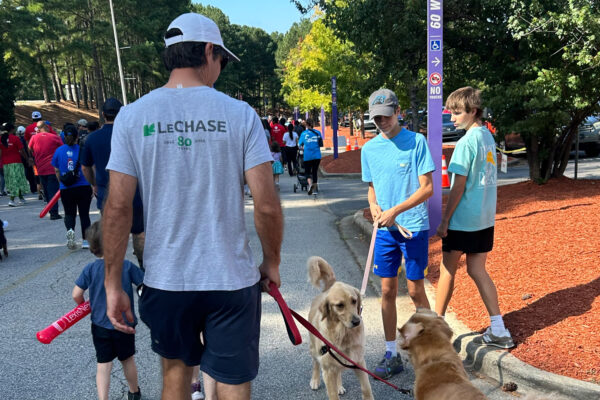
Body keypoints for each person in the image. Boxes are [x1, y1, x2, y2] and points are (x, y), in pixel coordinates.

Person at [103, 12, 283, 400]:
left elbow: (117, 207)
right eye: (220, 59)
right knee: (234, 384)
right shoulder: (241, 115)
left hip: (167, 279)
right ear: (207, 51)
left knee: (175, 378)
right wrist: (272, 261)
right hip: (230, 278)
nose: (219, 69)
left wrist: (112, 281)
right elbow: (266, 205)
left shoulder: (133, 117)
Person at [360, 88, 435, 379]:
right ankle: (391, 351)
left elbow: (427, 188)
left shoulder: (416, 142)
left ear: (398, 111)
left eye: (386, 116)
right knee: (387, 291)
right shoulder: (369, 149)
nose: (382, 122)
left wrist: (396, 211)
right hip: (385, 231)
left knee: (416, 290)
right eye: (376, 118)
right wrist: (375, 206)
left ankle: (430, 348)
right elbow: (371, 188)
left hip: (413, 227)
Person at [435, 87, 514, 349]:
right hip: (483, 219)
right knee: (478, 270)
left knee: (447, 270)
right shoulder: (487, 138)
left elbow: (458, 186)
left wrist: (445, 220)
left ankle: (436, 328)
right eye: (451, 112)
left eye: (457, 113)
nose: (452, 118)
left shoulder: (466, 143)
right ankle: (499, 328)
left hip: (462, 220)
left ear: (473, 111)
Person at [72, 221, 143, 400]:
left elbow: (76, 294)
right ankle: (134, 392)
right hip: (124, 324)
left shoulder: (90, 269)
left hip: (100, 325)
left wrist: (83, 305)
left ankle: (103, 398)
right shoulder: (126, 266)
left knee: (103, 365)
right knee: (127, 360)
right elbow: (144, 286)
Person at [81, 98, 146, 269]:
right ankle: (143, 270)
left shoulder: (91, 139)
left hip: (107, 194)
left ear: (103, 115)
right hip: (135, 192)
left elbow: (85, 167)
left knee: (113, 234)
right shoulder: (134, 135)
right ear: (122, 113)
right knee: (139, 233)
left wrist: (93, 184)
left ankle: (116, 272)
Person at [52, 125, 93, 249]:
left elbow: (57, 170)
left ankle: (70, 231)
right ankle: (86, 240)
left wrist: (62, 182)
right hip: (83, 186)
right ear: (77, 136)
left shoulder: (59, 151)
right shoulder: (82, 150)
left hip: (66, 188)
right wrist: (92, 183)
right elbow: (88, 168)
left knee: (69, 213)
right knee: (84, 214)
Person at [28, 121, 64, 219]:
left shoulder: (34, 138)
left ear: (38, 129)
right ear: (47, 127)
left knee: (47, 190)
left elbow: (29, 148)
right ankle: (54, 213)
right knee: (53, 190)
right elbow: (62, 149)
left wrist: (34, 156)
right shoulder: (54, 137)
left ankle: (50, 209)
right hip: (52, 168)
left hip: (40, 169)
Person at [0, 123, 31, 206]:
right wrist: (27, 158)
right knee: (16, 181)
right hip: (16, 163)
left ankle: (21, 198)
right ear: (11, 129)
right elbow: (21, 150)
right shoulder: (15, 138)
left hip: (6, 164)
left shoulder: (1, 139)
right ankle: (11, 200)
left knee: (12, 181)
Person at [297, 118, 322, 195]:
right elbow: (320, 144)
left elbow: (299, 144)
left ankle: (310, 184)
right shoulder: (318, 133)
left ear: (306, 125)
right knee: (314, 171)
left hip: (307, 155)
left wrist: (302, 147)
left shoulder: (304, 134)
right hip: (317, 155)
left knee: (307, 172)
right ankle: (315, 188)